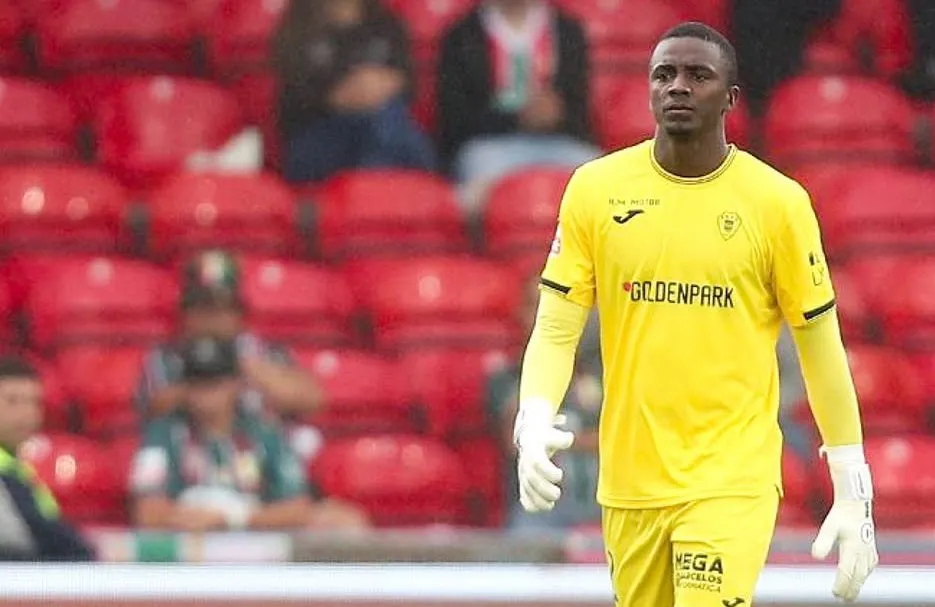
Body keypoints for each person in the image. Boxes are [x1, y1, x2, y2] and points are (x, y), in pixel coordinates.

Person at [512, 22, 878, 607]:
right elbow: (557, 326)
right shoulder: (596, 190)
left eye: (697, 75)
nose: (678, 86)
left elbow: (819, 344)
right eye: (664, 75)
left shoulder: (777, 204)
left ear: (730, 98)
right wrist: (533, 416)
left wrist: (852, 481)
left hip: (730, 478)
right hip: (630, 481)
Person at [129, 337, 364, 532]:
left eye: (216, 382)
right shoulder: (161, 436)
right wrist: (188, 518)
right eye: (197, 383)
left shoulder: (265, 433)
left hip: (254, 548)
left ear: (236, 384)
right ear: (185, 387)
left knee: (343, 522)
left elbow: (297, 507)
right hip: (189, 549)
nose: (206, 393)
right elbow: (147, 512)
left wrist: (232, 519)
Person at [135, 250, 324, 461]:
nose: (212, 319)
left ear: (239, 313)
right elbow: (150, 411)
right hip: (188, 463)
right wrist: (204, 383)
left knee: (307, 439)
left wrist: (245, 367)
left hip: (261, 459)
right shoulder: (164, 358)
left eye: (222, 308)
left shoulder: (264, 352)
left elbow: (311, 401)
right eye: (202, 308)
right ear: (185, 313)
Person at [436, 0, 600, 214]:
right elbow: (455, 120)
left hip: (560, 142)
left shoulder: (567, 31)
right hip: (489, 147)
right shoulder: (462, 35)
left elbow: (580, 109)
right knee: (475, 191)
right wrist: (518, 119)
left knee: (605, 185)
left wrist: (556, 113)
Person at [273, 0, 436, 183]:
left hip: (382, 124)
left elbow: (408, 84)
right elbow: (293, 103)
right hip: (319, 135)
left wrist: (382, 84)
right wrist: (341, 97)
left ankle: (377, 187)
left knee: (386, 122)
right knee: (387, 130)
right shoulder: (299, 31)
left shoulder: (388, 25)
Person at [488, 275, 602, 530]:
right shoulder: (506, 378)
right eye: (535, 305)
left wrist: (553, 438)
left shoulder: (606, 375)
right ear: (519, 313)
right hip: (539, 514)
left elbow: (632, 439)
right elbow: (514, 439)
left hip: (606, 507)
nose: (547, 314)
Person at [0, 356, 94, 560]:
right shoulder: (6, 475)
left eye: (34, 402)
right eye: (12, 401)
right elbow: (43, 535)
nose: (26, 413)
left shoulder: (22, 469)